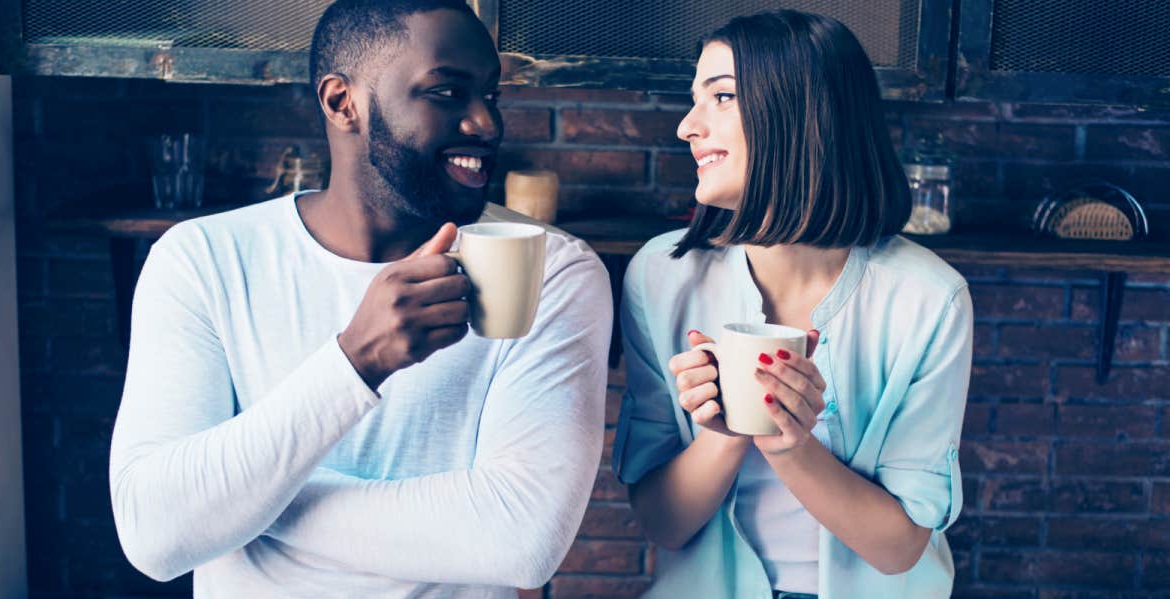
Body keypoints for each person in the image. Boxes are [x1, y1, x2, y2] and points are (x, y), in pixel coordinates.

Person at [108, 1, 612, 596]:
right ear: (341, 102)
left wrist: (243, 508)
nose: (486, 123)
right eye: (448, 93)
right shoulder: (202, 260)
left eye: (491, 95)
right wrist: (355, 362)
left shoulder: (549, 268)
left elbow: (520, 539)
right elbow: (156, 534)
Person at [612, 10, 972, 598]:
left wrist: (791, 446)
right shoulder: (662, 275)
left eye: (721, 96)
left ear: (801, 116)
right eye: (694, 98)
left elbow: (900, 549)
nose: (687, 126)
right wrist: (725, 433)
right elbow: (662, 524)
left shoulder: (929, 299)